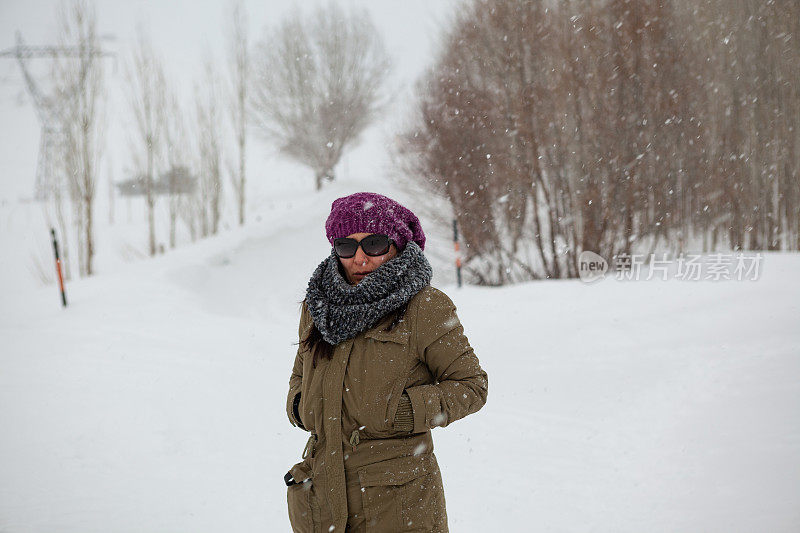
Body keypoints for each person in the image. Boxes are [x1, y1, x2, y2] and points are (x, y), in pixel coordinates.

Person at [285, 192, 489, 532]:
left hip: (396, 505)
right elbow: (300, 373)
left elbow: (472, 385)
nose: (360, 259)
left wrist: (403, 411)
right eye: (347, 247)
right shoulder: (318, 305)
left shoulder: (423, 306)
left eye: (374, 244)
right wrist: (299, 406)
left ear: (396, 245)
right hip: (322, 498)